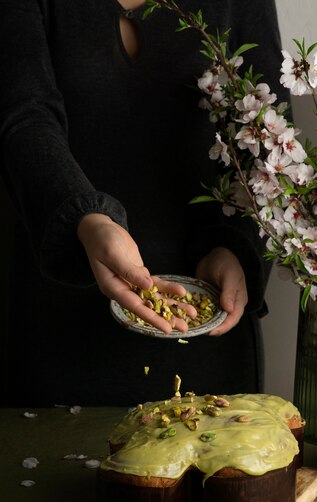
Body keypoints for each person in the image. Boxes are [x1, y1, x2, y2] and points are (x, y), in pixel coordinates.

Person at [0, 0, 289, 407]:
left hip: (205, 315)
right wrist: (87, 220)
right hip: (58, 318)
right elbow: (24, 117)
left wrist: (237, 245)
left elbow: (270, 135)